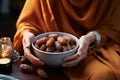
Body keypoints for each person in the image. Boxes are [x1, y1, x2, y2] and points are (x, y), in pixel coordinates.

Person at [13, 0, 120, 80]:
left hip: (95, 48)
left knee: (104, 75)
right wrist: (27, 34)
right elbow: (27, 24)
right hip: (44, 58)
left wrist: (90, 38)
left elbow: (115, 26)